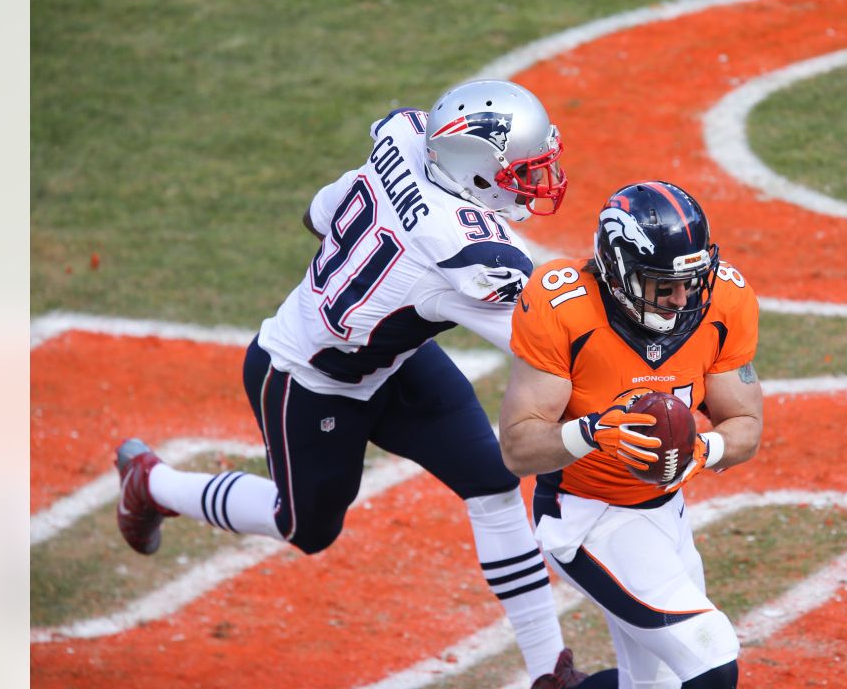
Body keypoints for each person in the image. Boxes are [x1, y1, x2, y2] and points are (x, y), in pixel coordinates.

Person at [114, 79, 583, 683]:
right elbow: (552, 343)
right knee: (304, 527)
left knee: (492, 480)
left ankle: (551, 671)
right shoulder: (465, 256)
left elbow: (317, 214)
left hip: (389, 357)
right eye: (522, 169)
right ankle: (151, 484)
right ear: (476, 168)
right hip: (307, 378)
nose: (534, 180)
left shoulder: (408, 141)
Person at [498, 181, 764, 689]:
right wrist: (595, 432)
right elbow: (517, 448)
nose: (684, 298)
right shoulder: (565, 306)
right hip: (586, 515)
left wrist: (703, 450)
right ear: (619, 270)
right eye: (664, 284)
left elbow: (747, 426)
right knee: (712, 661)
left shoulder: (722, 301)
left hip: (667, 511)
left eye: (692, 280)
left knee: (655, 686)